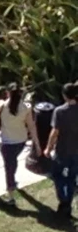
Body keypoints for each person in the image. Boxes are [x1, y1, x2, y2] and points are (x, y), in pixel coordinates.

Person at [0, 83, 40, 205]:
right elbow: (31, 126)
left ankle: (11, 195)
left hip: (6, 143)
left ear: (8, 93)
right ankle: (13, 184)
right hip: (21, 142)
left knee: (9, 168)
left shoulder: (1, 105)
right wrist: (37, 144)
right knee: (12, 162)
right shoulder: (26, 107)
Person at [44, 82, 78, 219]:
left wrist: (48, 148)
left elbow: (54, 133)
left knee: (57, 175)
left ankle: (64, 201)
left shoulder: (60, 111)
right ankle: (67, 202)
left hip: (63, 151)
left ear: (64, 96)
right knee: (71, 177)